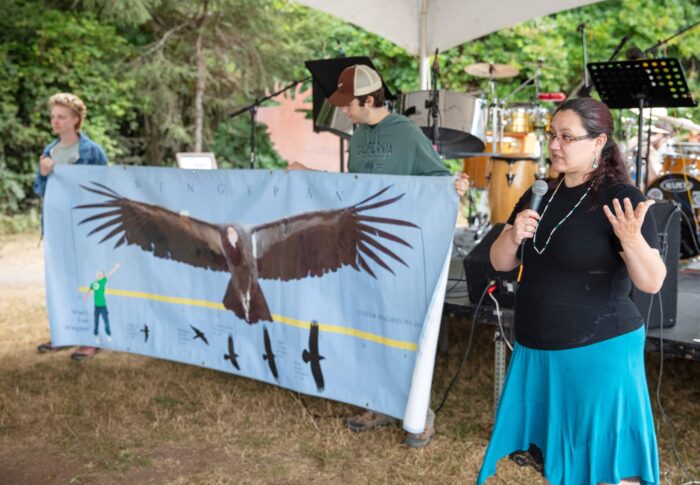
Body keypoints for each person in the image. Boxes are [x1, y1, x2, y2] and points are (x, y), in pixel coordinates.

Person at [477, 97, 665, 485]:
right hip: (539, 349)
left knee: (607, 464)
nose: (555, 145)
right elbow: (500, 263)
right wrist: (512, 235)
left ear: (598, 142)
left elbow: (651, 281)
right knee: (558, 460)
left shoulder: (622, 198)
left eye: (567, 137)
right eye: (552, 135)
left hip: (597, 349)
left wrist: (632, 241)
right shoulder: (542, 191)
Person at [289, 64, 470, 448]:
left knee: (401, 329)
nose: (344, 111)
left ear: (370, 100)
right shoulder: (357, 136)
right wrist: (309, 175)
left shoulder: (405, 135)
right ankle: (378, 402)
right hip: (360, 247)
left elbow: (437, 178)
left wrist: (455, 185)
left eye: (349, 104)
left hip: (397, 251)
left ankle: (420, 413)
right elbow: (354, 190)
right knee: (366, 324)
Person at [34, 92, 108, 362]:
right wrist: (43, 175)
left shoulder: (92, 152)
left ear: (76, 119)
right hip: (57, 228)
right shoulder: (49, 152)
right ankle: (63, 333)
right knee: (60, 280)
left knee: (88, 281)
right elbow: (40, 189)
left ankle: (90, 339)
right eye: (53, 116)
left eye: (61, 117)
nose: (55, 121)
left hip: (85, 228)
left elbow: (104, 188)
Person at [83, 263, 120, 345]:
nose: (99, 275)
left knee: (106, 323)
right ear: (96, 275)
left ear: (102, 276)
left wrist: (115, 267)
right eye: (98, 274)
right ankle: (96, 336)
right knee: (96, 323)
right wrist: (87, 296)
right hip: (96, 307)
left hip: (103, 307)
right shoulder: (93, 284)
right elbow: (90, 290)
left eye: (100, 274)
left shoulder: (103, 281)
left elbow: (110, 274)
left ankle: (109, 334)